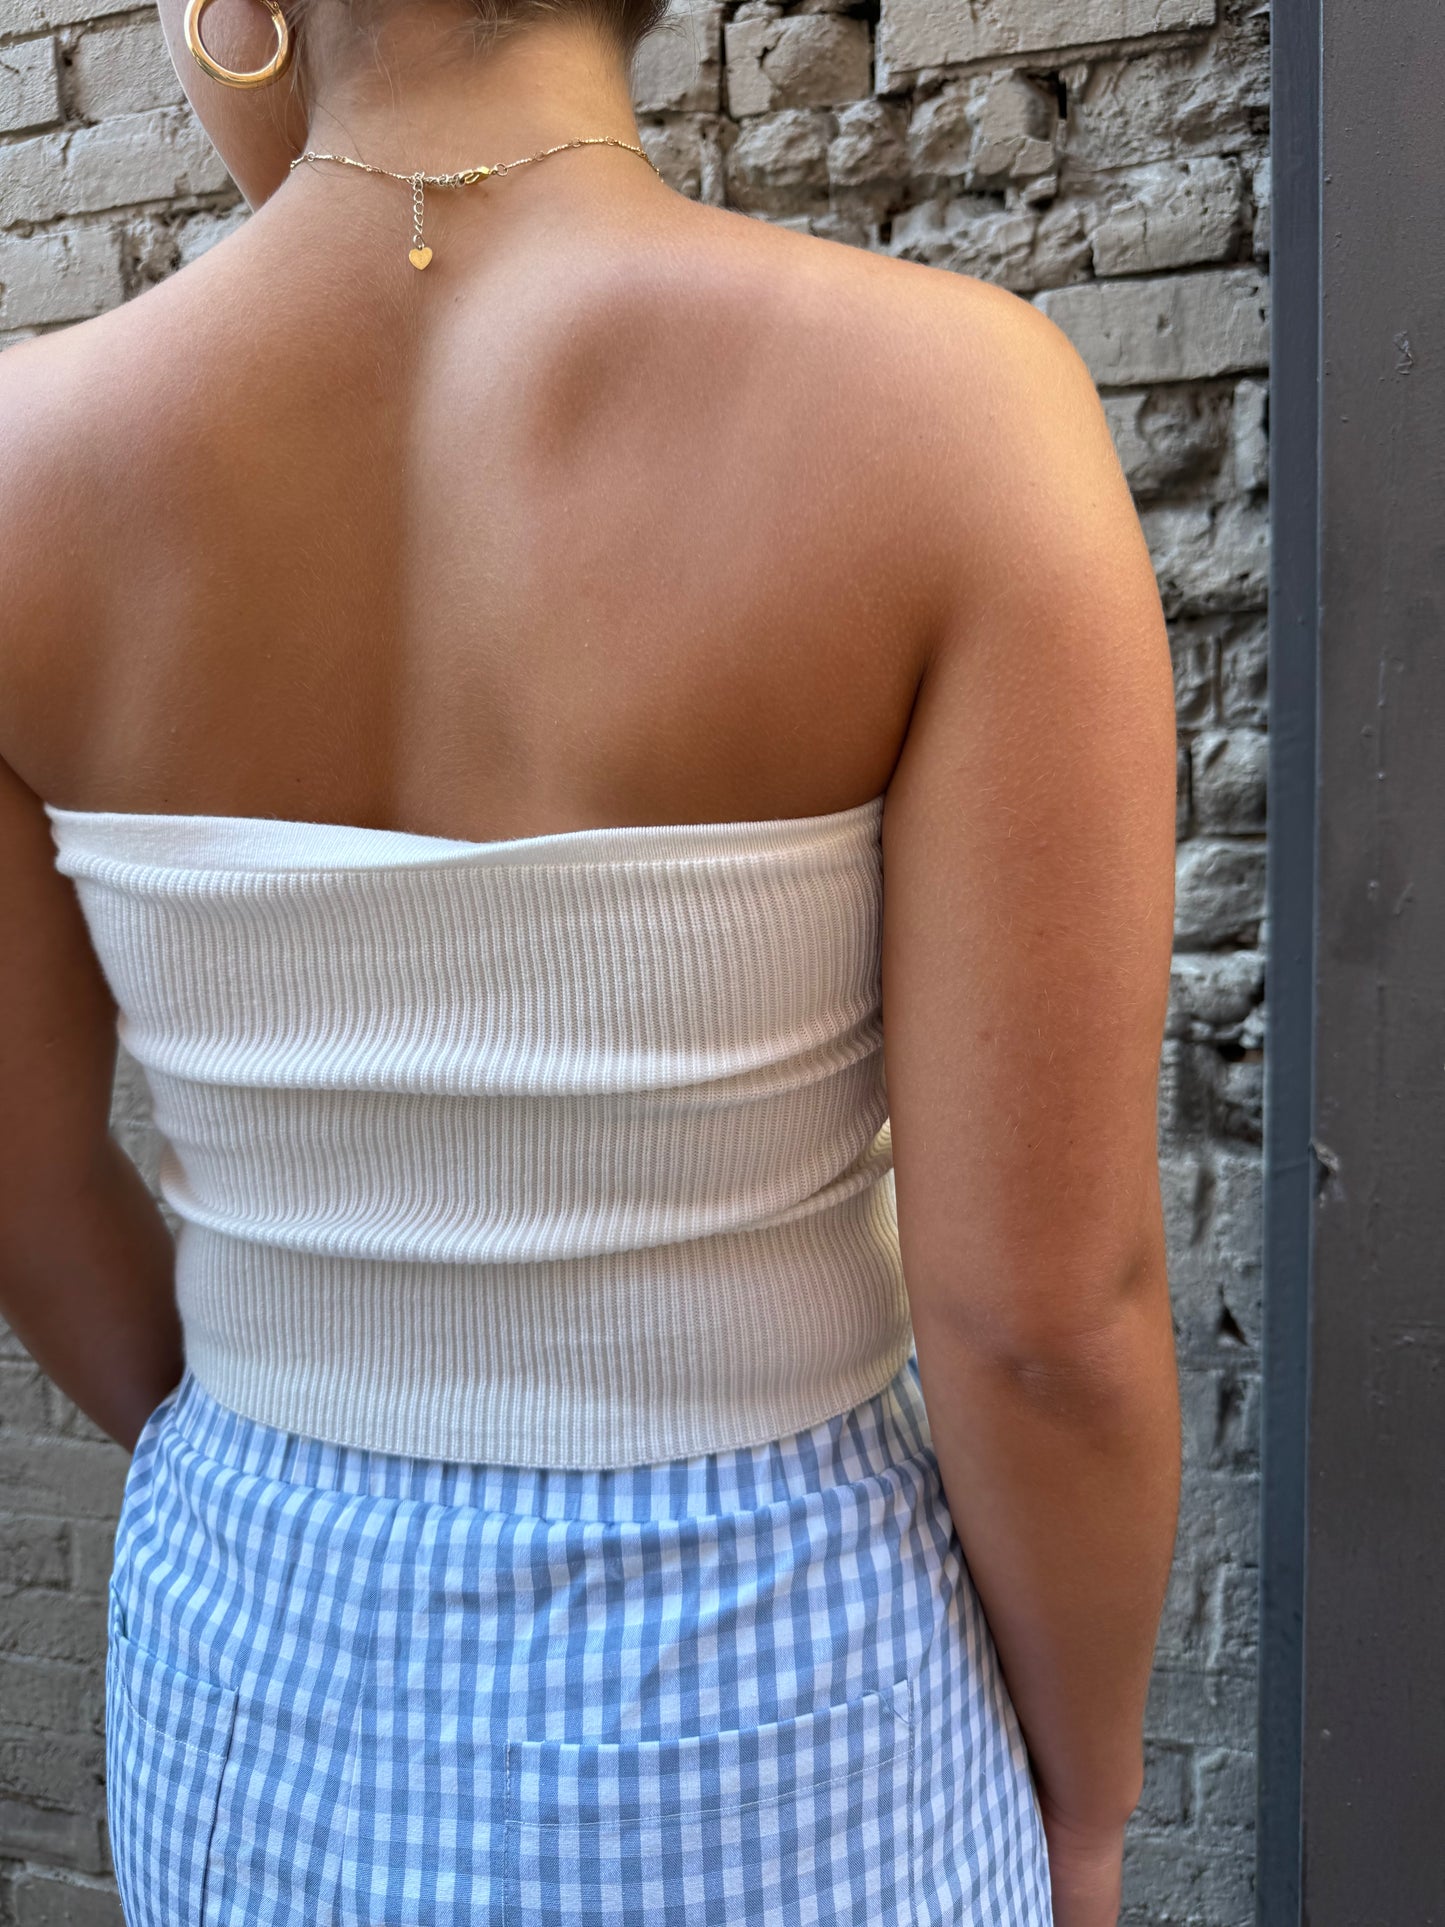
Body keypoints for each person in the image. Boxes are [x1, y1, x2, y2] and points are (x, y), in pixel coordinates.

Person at [0, 0, 1181, 1920]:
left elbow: (29, 1180)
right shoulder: (952, 412)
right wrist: (1089, 1810)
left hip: (250, 1643)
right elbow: (1040, 1325)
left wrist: (306, 1452)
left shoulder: (23, 470)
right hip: (778, 1671)